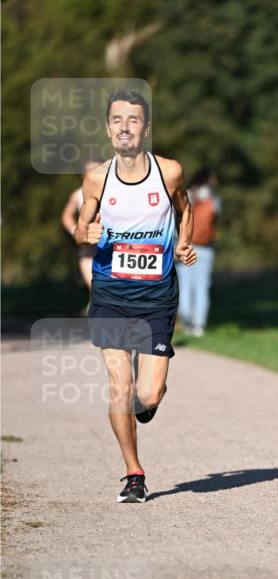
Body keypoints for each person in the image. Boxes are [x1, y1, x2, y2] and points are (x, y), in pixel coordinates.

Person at [74, 89, 196, 503]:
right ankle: (133, 473)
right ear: (108, 129)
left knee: (148, 395)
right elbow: (80, 226)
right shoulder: (97, 178)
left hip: (157, 297)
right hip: (110, 294)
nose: (125, 127)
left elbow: (186, 209)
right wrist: (84, 233)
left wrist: (184, 243)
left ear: (146, 128)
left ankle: (149, 397)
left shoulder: (169, 172)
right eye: (117, 120)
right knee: (120, 387)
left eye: (133, 120)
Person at [176, 167, 221, 336]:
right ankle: (199, 326)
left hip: (186, 246)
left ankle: (187, 324)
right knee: (202, 288)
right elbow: (216, 218)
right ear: (209, 180)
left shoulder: (187, 195)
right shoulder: (213, 199)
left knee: (185, 287)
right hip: (206, 248)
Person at [60, 160, 102, 290]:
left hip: (113, 248)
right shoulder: (77, 195)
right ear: (83, 175)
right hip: (88, 252)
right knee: (95, 289)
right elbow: (66, 215)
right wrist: (75, 231)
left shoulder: (115, 192)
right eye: (90, 171)